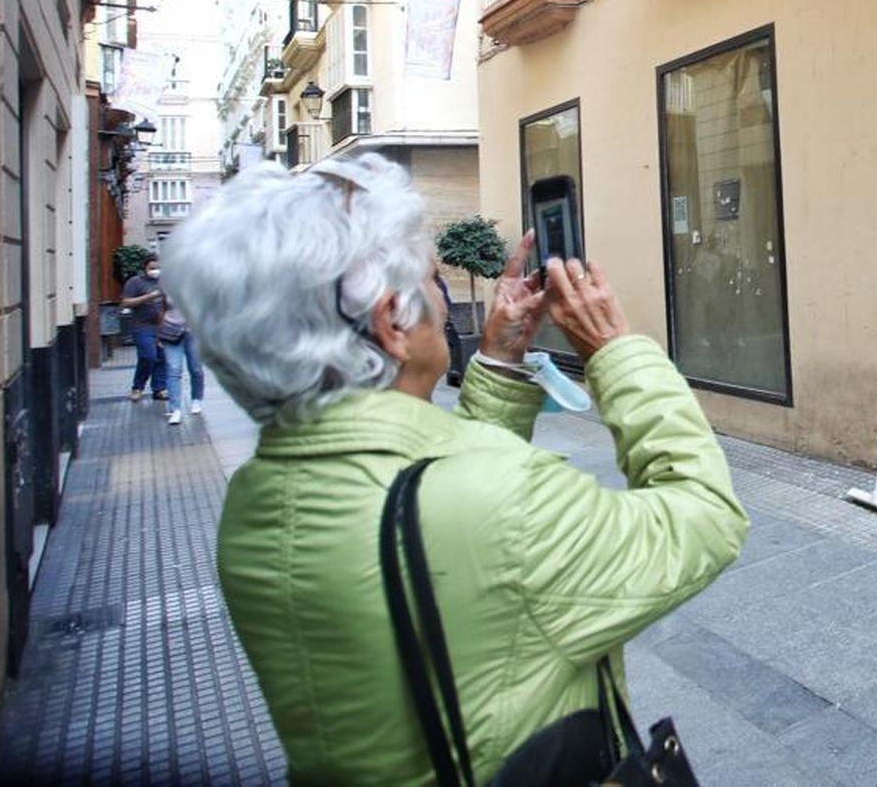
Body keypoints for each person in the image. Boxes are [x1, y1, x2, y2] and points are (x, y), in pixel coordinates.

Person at [160, 154, 748, 783]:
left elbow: (424, 511)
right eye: (429, 282)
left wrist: (494, 361)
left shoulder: (259, 498)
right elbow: (704, 514)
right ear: (391, 322)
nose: (441, 304)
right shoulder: (496, 500)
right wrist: (615, 352)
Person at [119, 254, 168, 403]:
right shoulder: (135, 282)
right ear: (145, 268)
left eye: (158, 268)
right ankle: (137, 387)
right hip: (142, 327)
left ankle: (159, 388)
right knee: (148, 356)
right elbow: (125, 303)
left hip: (162, 326)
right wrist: (149, 297)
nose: (155, 271)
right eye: (152, 268)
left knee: (162, 357)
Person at [158, 296, 205, 426]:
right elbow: (161, 308)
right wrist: (159, 333)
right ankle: (175, 410)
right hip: (171, 330)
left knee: (196, 368)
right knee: (173, 369)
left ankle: (196, 398)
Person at [434, 270, 466, 387]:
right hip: (441, 319)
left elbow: (445, 300)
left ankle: (454, 372)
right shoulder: (436, 283)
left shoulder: (437, 283)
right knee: (453, 344)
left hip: (444, 319)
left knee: (454, 344)